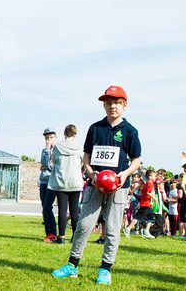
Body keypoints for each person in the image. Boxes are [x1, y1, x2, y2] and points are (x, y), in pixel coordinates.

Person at [52, 85, 142, 286]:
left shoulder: (130, 131)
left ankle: (105, 268)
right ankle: (72, 265)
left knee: (112, 228)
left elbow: (136, 160)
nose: (112, 107)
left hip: (119, 187)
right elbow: (86, 156)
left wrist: (124, 174)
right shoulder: (95, 128)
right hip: (95, 185)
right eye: (108, 103)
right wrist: (90, 172)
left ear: (124, 105)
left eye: (117, 103)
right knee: (84, 225)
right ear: (104, 105)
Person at [47, 124, 84, 245]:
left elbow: (54, 161)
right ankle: (75, 237)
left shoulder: (57, 147)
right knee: (74, 210)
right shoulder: (79, 148)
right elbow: (82, 162)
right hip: (75, 181)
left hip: (61, 181)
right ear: (75, 134)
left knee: (62, 210)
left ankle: (61, 237)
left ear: (64, 133)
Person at [40, 127, 58, 242]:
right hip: (43, 181)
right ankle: (48, 233)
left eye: (51, 137)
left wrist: (46, 166)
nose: (48, 140)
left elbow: (52, 166)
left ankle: (53, 233)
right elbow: (43, 163)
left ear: (55, 138)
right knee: (44, 208)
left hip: (52, 182)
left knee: (48, 207)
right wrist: (46, 151)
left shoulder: (58, 150)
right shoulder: (44, 150)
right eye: (47, 138)